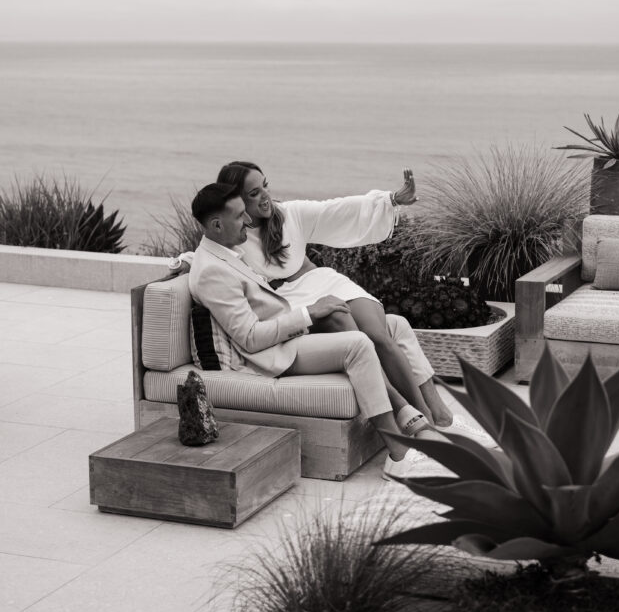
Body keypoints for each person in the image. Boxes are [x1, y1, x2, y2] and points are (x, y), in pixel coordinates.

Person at [174, 161, 489, 440]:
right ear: (235, 201)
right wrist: (185, 261)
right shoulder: (234, 237)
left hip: (320, 284)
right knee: (355, 333)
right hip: (289, 302)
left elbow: (335, 210)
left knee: (384, 332)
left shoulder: (288, 215)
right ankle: (421, 422)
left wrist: (391, 199)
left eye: (265, 186)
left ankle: (440, 416)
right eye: (254, 193)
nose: (265, 196)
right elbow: (215, 262)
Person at [187, 181, 448, 479]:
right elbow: (249, 337)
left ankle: (434, 420)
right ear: (217, 225)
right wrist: (307, 313)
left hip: (285, 336)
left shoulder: (222, 253)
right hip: (268, 354)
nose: (248, 220)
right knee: (358, 344)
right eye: (239, 216)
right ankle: (399, 457)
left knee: (395, 325)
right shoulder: (211, 271)